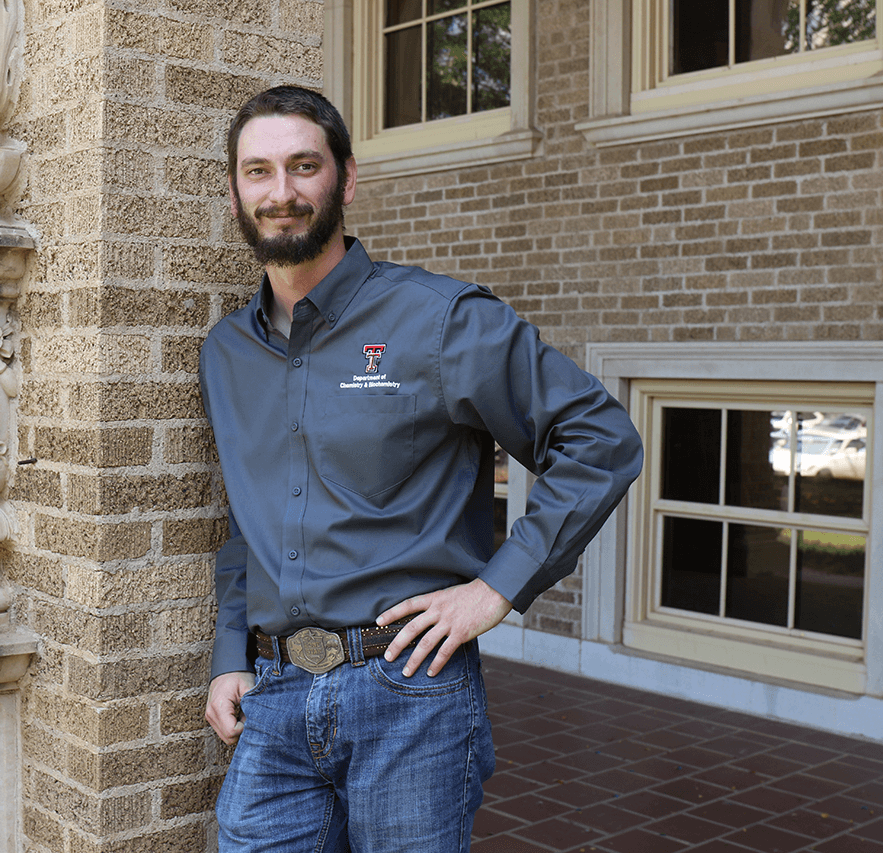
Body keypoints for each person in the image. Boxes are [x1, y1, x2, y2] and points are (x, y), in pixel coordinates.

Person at [197, 85, 643, 853]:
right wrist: (229, 657)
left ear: (345, 177)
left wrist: (496, 587)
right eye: (258, 171)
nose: (282, 192)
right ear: (235, 191)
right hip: (271, 699)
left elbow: (598, 435)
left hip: (409, 696)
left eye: (304, 166)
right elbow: (249, 519)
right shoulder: (226, 353)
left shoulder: (437, 319)